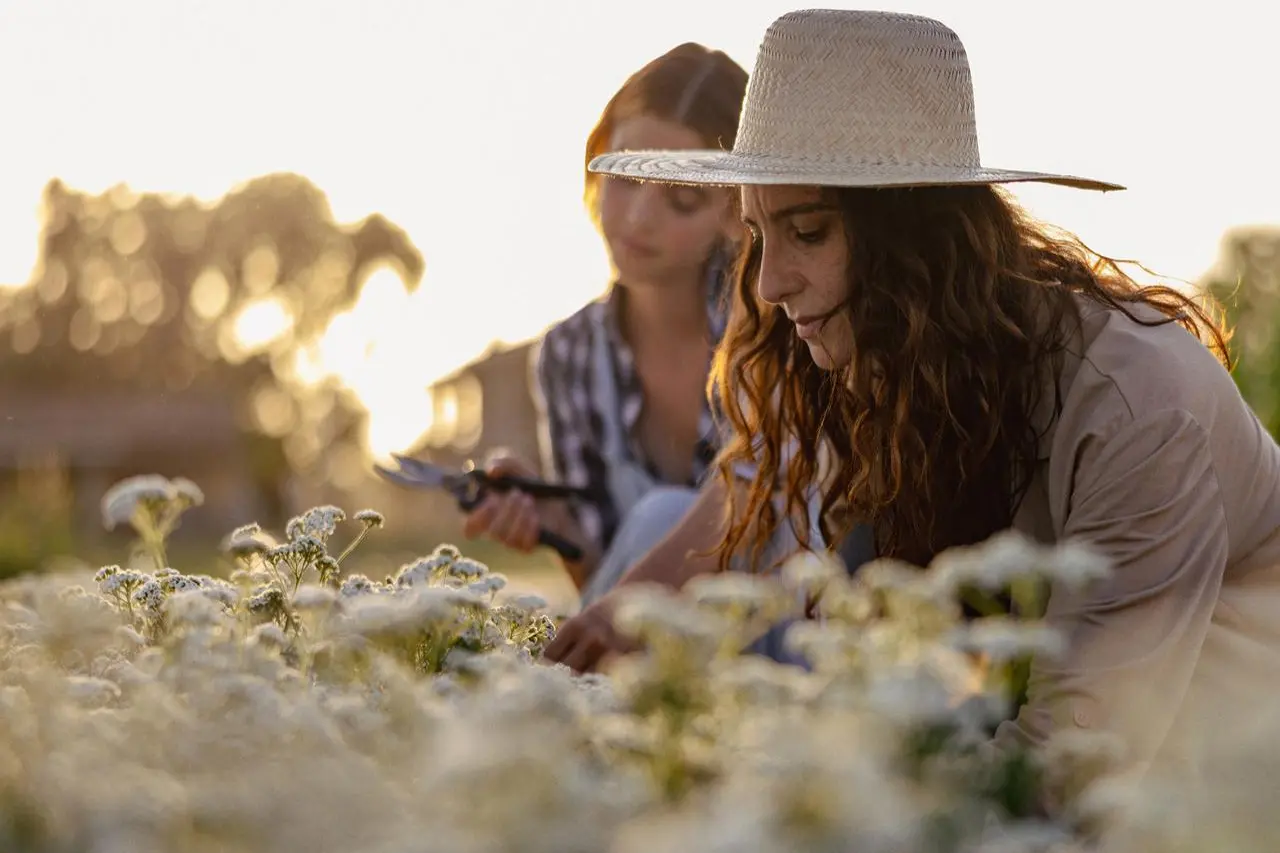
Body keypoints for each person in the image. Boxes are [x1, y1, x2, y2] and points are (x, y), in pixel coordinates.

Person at [546, 8, 1280, 783]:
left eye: (808, 230)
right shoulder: (893, 367)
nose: (768, 282)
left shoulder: (1137, 407)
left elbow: (1071, 770)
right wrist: (624, 615)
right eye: (759, 234)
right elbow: (755, 474)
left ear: (919, 236)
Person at [461, 42, 844, 611]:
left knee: (663, 514)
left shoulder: (780, 316)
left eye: (683, 198)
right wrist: (556, 524)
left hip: (789, 626)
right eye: (624, 177)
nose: (638, 218)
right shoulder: (568, 355)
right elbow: (608, 588)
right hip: (663, 654)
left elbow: (763, 500)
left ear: (738, 207)